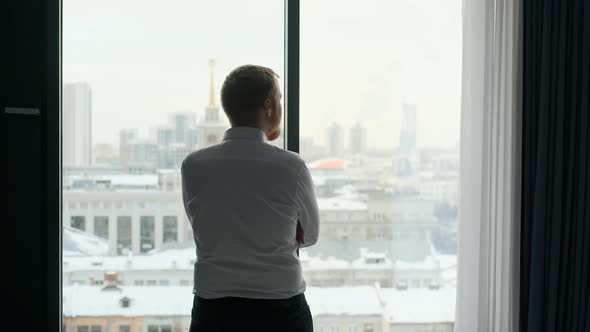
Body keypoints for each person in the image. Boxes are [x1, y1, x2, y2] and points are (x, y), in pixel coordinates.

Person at [182, 65, 320, 332]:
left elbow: (203, 226)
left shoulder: (193, 165)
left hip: (215, 310)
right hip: (279, 308)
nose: (281, 105)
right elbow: (311, 235)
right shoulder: (291, 167)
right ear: (267, 105)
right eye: (279, 99)